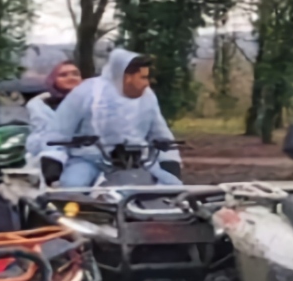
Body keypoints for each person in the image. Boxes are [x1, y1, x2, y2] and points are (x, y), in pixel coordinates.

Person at [39, 49, 183, 188]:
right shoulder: (85, 92)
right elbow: (59, 131)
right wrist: (52, 161)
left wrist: (169, 161)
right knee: (72, 186)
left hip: (138, 162)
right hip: (89, 160)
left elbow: (160, 132)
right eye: (140, 76)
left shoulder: (147, 96)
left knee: (173, 188)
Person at [25, 60, 82, 170]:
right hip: (50, 159)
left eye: (76, 74)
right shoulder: (39, 106)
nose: (71, 78)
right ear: (53, 79)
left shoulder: (95, 102)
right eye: (63, 75)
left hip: (88, 159)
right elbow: (38, 139)